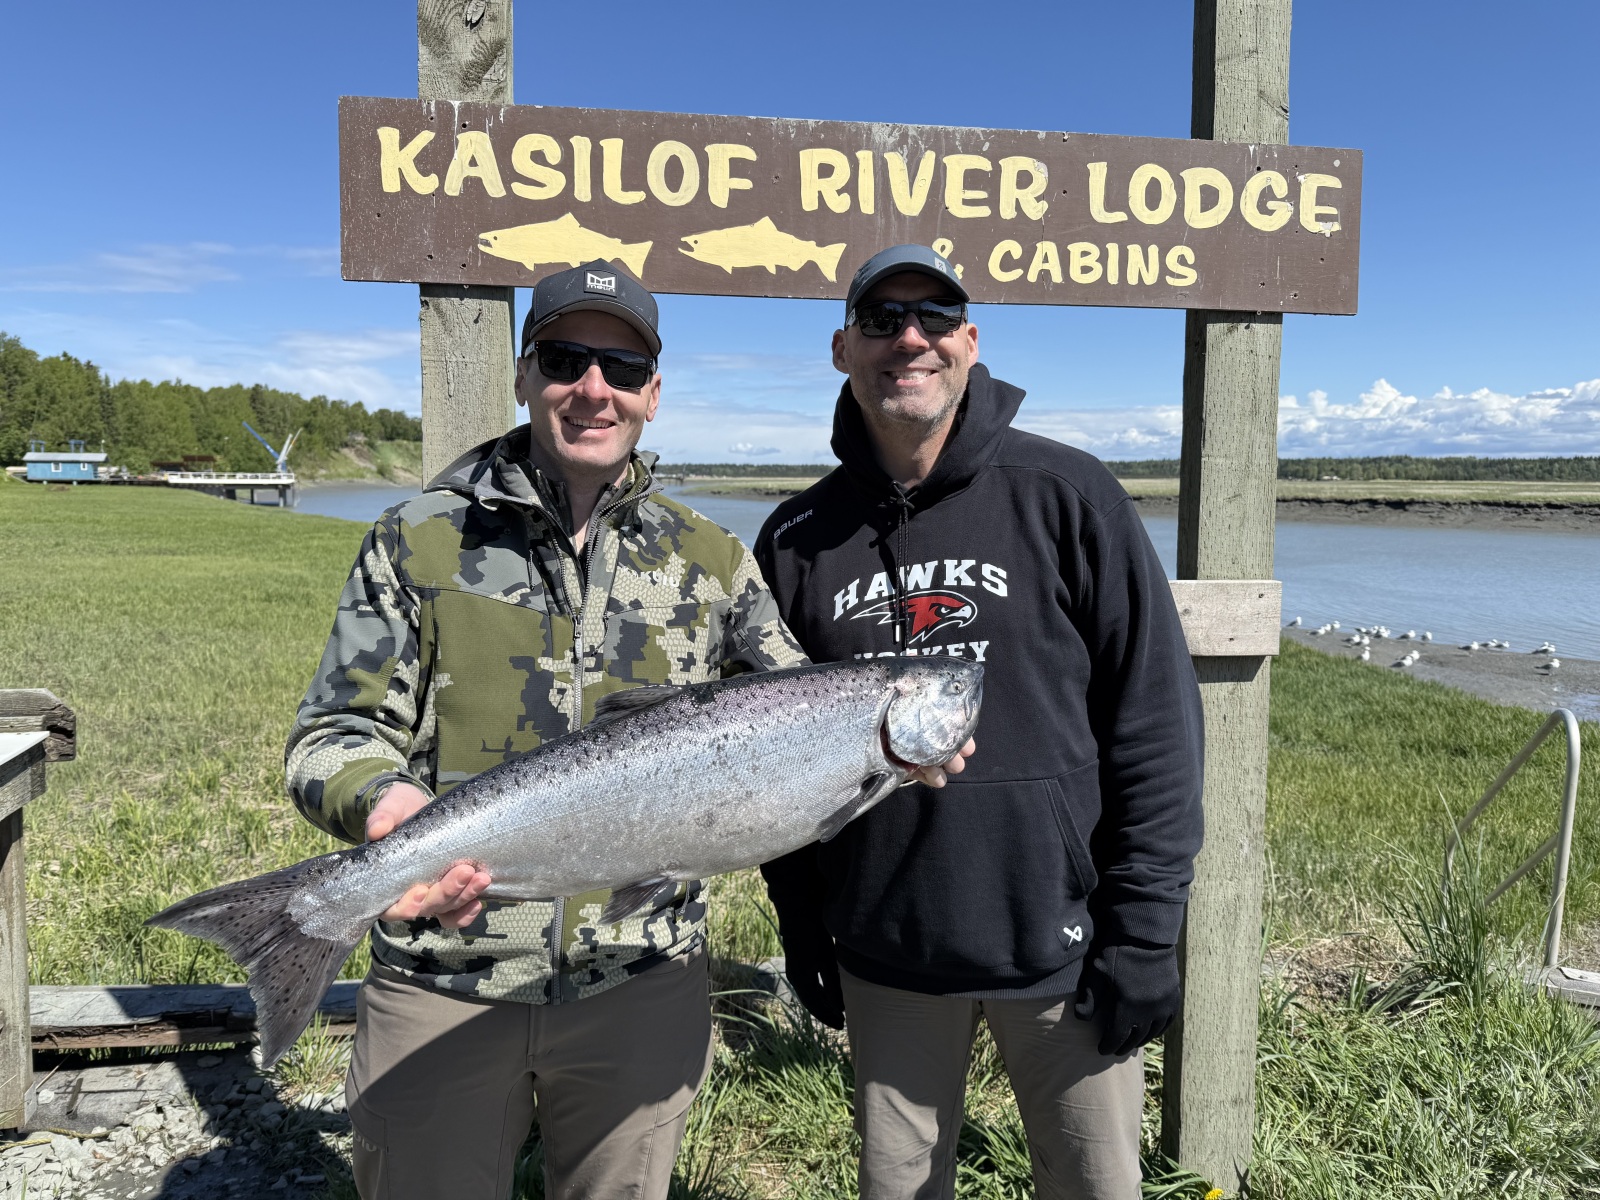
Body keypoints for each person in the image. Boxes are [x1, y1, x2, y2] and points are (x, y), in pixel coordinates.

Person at [284, 261, 812, 1200]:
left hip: (641, 984)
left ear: (654, 392)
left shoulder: (712, 559)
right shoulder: (418, 538)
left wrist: (889, 747)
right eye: (566, 360)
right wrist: (382, 804)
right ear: (525, 374)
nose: (593, 388)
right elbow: (332, 733)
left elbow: (802, 718)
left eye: (623, 367)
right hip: (443, 979)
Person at [756, 244, 1205, 1199]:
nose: (909, 339)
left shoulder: (1068, 495)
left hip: (1065, 941)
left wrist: (1147, 930)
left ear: (969, 341)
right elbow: (769, 760)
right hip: (886, 951)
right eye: (882, 319)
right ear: (843, 347)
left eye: (934, 317)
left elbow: (1156, 720)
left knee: (1093, 1184)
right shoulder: (796, 540)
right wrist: (801, 920)